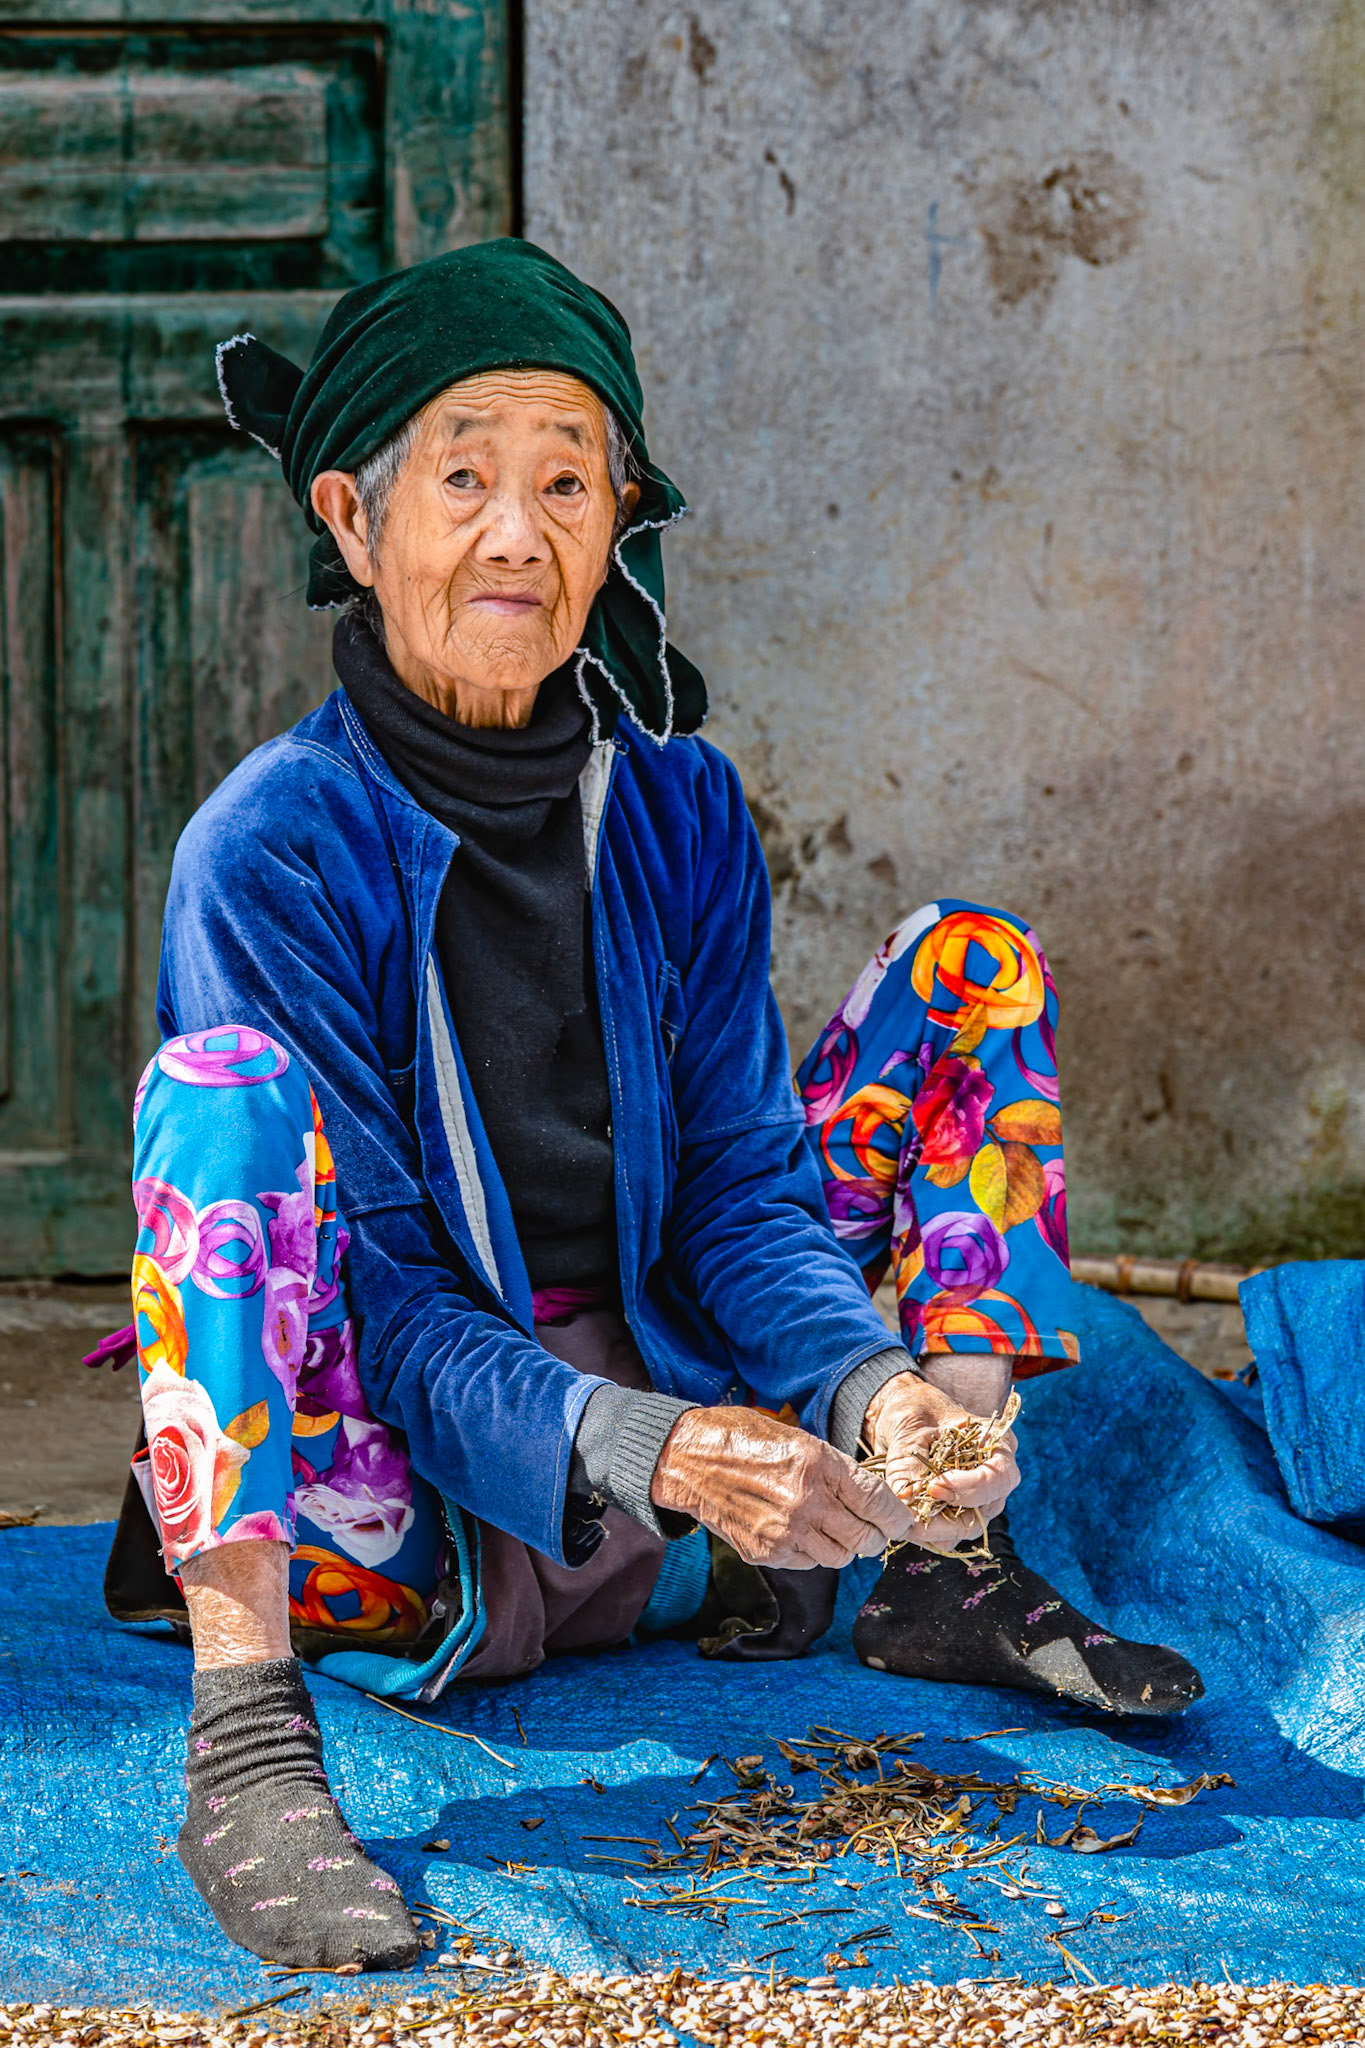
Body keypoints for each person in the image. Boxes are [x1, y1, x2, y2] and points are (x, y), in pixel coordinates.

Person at [109, 239, 1201, 1973]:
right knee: (220, 1106)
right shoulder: (272, 849)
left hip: (674, 1371)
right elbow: (379, 1294)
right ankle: (243, 1749)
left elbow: (739, 1190)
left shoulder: (674, 803)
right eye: (461, 480)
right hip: (407, 1476)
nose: (516, 538)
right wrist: (652, 1446)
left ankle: (943, 1540)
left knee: (966, 967)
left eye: (565, 483)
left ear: (618, 518)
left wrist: (867, 1381)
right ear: (350, 517)